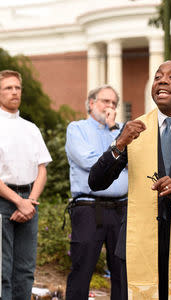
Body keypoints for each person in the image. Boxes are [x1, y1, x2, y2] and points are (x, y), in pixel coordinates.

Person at [89, 60, 171, 299]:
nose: (162, 80)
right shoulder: (133, 129)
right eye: (158, 76)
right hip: (136, 244)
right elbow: (96, 181)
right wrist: (119, 144)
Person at [0, 70, 52, 300]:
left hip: (29, 199)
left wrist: (30, 202)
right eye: (8, 88)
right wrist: (18, 202)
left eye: (17, 88)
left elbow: (42, 168)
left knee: (25, 270)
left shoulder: (30, 128)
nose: (14, 92)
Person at [65, 85, 127, 300]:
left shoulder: (121, 132)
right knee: (82, 270)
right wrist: (117, 156)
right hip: (89, 209)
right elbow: (89, 161)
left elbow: (134, 162)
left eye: (114, 103)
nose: (110, 107)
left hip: (121, 209)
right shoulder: (77, 129)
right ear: (91, 103)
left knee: (122, 272)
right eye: (105, 101)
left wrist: (114, 131)